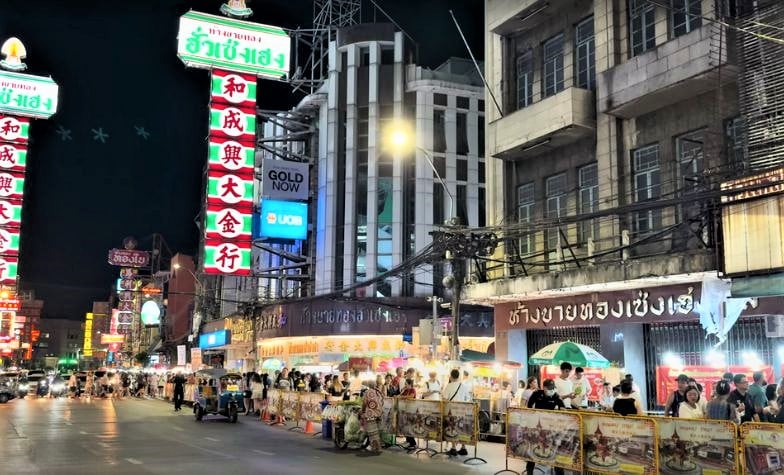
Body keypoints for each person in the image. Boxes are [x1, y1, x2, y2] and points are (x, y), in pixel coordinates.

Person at [525, 379, 565, 475]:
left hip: (550, 428)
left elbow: (563, 408)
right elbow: (529, 406)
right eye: (548, 388)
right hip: (537, 427)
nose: (551, 390)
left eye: (552, 388)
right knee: (533, 449)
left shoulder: (556, 396)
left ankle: (559, 472)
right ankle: (529, 472)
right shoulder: (537, 394)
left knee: (555, 450)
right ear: (544, 388)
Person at [442, 369, 470, 456]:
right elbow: (468, 399)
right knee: (461, 428)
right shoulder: (464, 386)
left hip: (452, 411)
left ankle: (453, 448)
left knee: (452, 428)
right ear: (458, 376)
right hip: (462, 411)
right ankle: (463, 447)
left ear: (451, 376)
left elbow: (445, 399)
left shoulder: (449, 386)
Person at [360, 379, 384, 455]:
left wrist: (363, 411)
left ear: (368, 385)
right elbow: (382, 401)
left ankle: (376, 448)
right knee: (377, 432)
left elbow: (364, 403)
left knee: (372, 433)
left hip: (371, 414)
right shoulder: (378, 392)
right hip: (379, 414)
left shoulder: (367, 392)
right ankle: (378, 447)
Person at [399, 378, 418, 449]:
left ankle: (413, 443)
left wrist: (403, 397)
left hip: (411, 411)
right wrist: (403, 391)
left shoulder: (413, 389)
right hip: (405, 410)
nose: (405, 385)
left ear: (409, 384)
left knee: (409, 427)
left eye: (406, 384)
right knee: (405, 426)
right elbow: (400, 395)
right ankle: (408, 441)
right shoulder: (406, 390)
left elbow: (411, 396)